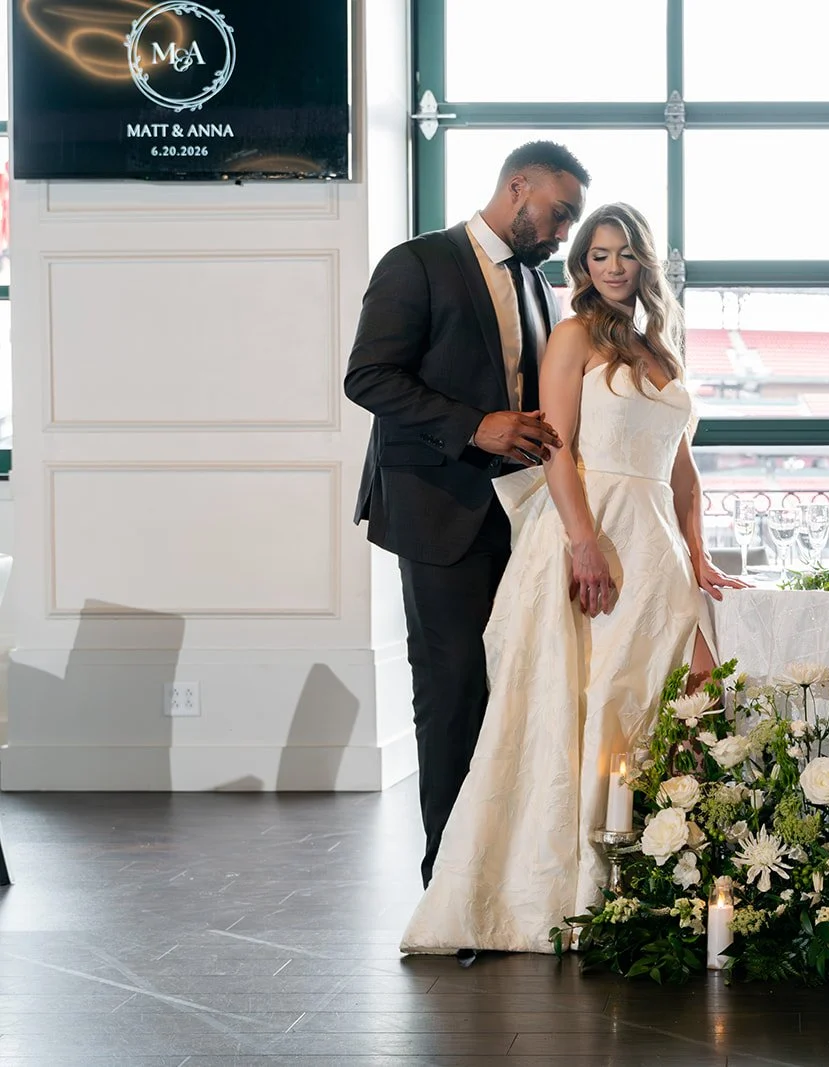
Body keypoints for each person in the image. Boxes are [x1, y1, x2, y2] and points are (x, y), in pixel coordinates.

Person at [400, 203, 744, 955]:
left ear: (645, 260)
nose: (613, 266)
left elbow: (682, 466)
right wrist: (583, 543)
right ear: (582, 266)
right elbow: (554, 447)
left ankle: (660, 875)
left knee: (684, 688)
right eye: (598, 253)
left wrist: (698, 549)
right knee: (592, 696)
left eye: (624, 253)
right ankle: (581, 883)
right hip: (595, 526)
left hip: (656, 537)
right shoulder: (573, 336)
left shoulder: (662, 346)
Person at [345, 141, 588, 888]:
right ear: (518, 186)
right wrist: (473, 425)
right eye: (559, 213)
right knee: (451, 692)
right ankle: (449, 878)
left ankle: (508, 862)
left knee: (516, 686)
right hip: (438, 509)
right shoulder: (417, 262)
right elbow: (368, 376)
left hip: (527, 519)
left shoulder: (544, 288)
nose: (563, 234)